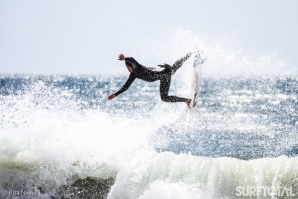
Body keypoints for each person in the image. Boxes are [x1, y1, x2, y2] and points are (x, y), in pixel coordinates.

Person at [108, 53, 192, 107]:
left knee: (165, 96)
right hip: (163, 70)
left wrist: (125, 58)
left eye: (127, 66)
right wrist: (115, 94)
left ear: (130, 66)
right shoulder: (133, 74)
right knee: (172, 71)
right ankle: (187, 56)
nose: (127, 68)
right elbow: (126, 86)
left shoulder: (138, 68)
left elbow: (133, 60)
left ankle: (187, 100)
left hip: (164, 72)